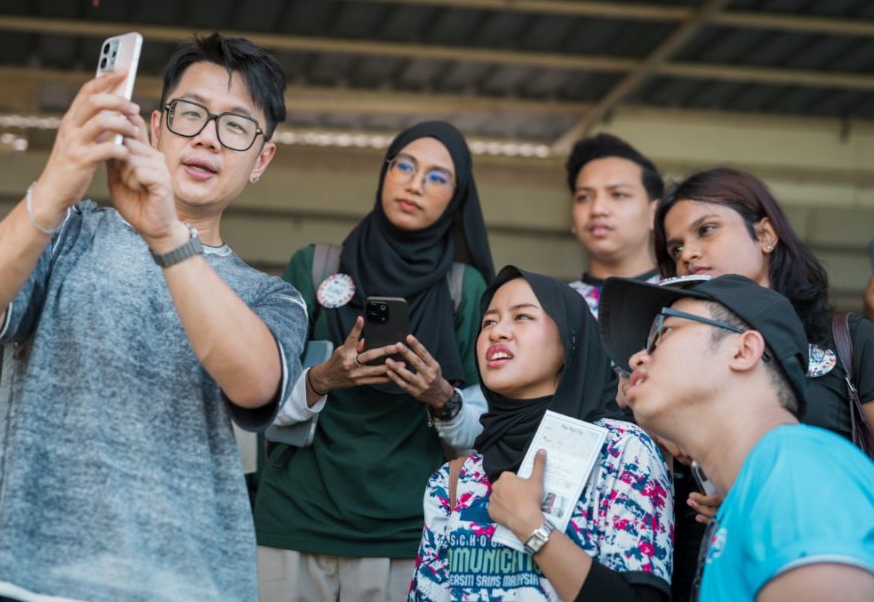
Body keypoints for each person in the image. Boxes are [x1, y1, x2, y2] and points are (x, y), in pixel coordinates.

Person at [0, 33, 307, 602]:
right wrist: (55, 187)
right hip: (28, 582)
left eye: (236, 126)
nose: (207, 137)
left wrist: (167, 234)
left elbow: (256, 383)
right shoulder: (68, 233)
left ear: (262, 160)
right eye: (190, 114)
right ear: (156, 128)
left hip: (191, 588)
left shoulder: (272, 297)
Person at [253, 121, 496, 602]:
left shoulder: (464, 291)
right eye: (404, 166)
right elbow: (258, 401)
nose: (415, 184)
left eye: (437, 177)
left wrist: (441, 398)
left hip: (405, 531)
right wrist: (321, 380)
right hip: (295, 520)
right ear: (385, 173)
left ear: (457, 197)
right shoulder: (315, 267)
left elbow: (483, 433)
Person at [650, 166, 874, 600]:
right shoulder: (673, 362)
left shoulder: (849, 339)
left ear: (766, 235)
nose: (688, 253)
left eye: (706, 230)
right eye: (676, 247)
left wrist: (764, 495)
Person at [598, 273, 874, 602]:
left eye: (665, 332)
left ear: (743, 351)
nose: (636, 359)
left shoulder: (795, 472)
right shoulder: (758, 490)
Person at [409, 267, 673, 601]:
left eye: (522, 316)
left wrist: (531, 526)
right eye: (488, 322)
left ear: (569, 340)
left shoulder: (621, 451)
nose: (497, 332)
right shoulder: (454, 481)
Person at [564, 133, 664, 319]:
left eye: (618, 194)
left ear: (655, 213)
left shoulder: (685, 298)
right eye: (584, 197)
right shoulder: (554, 308)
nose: (597, 209)